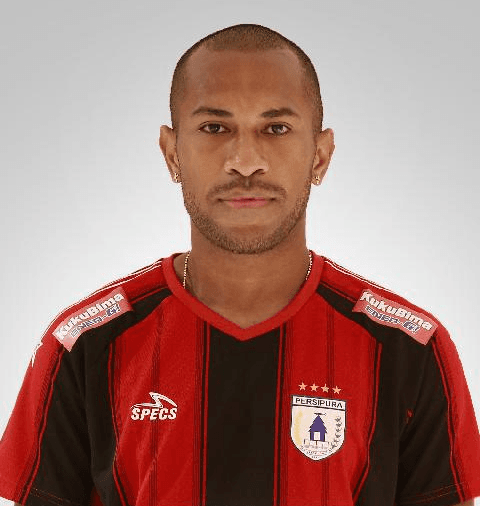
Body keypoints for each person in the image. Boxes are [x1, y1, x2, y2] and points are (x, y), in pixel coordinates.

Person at [0, 23, 478, 506]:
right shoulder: (83, 345)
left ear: (320, 155)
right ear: (172, 154)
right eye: (215, 128)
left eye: (276, 128)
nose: (246, 161)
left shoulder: (409, 348)